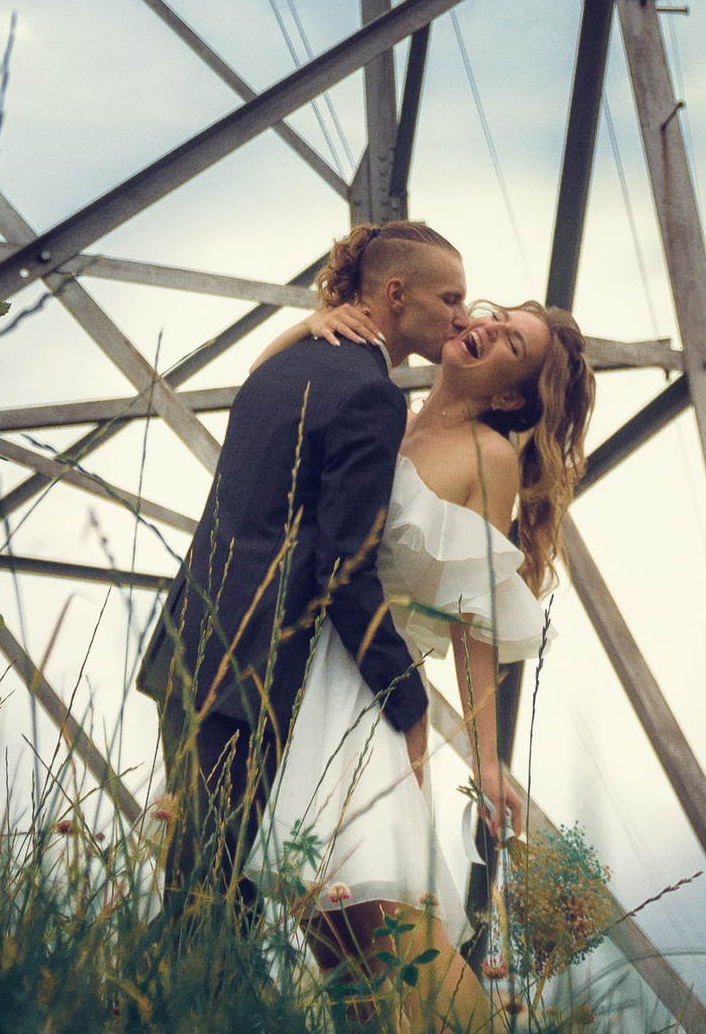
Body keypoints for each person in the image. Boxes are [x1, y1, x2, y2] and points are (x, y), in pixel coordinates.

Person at [250, 248, 594, 1034]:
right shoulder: (390, 414)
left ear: (511, 390)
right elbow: (261, 405)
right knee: (338, 940)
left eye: (511, 345)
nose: (487, 328)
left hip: (374, 702)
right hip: (315, 682)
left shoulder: (491, 457)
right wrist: (307, 326)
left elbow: (476, 615)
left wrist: (484, 755)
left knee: (395, 926)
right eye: (497, 318)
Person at [141, 218, 470, 938]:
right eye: (450, 298)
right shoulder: (371, 395)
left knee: (199, 885)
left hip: (189, 646)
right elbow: (345, 572)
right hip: (251, 670)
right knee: (208, 904)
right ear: (394, 291)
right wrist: (405, 699)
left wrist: (302, 327)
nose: (462, 315)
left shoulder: (282, 368)